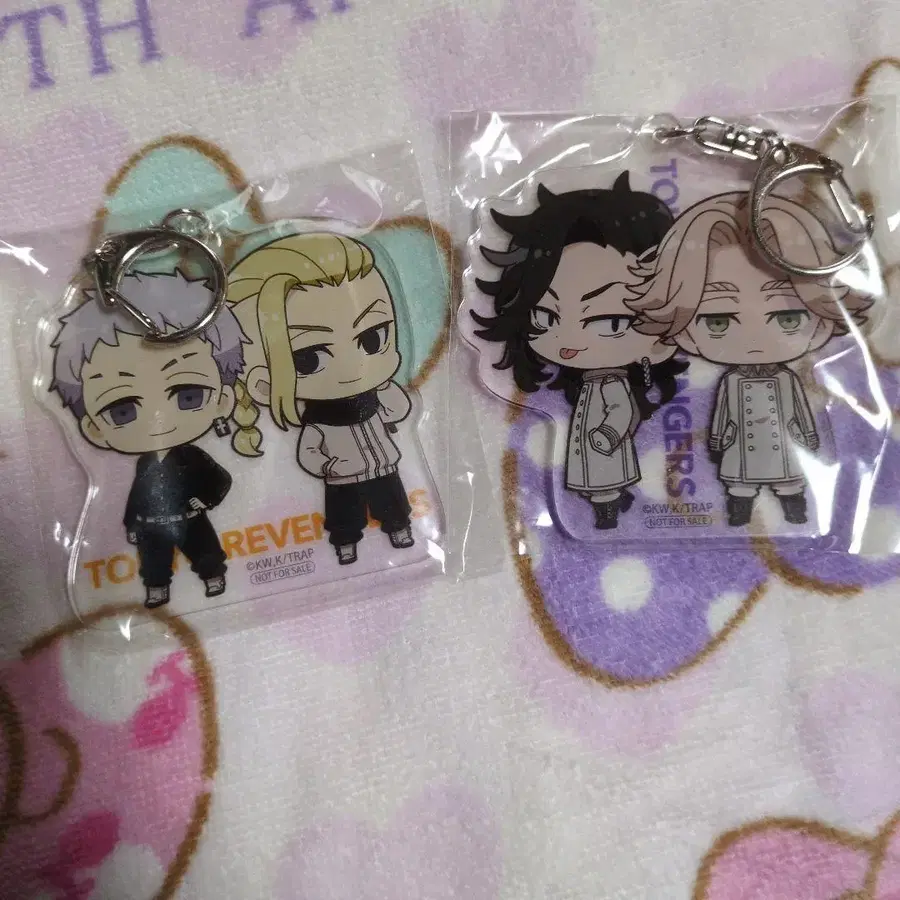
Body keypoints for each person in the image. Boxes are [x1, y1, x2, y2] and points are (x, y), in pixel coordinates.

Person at [627, 191, 873, 526]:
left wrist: (808, 436)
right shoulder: (731, 381)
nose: (754, 340)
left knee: (788, 479)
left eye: (788, 318)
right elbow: (724, 412)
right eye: (718, 321)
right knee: (739, 481)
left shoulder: (785, 379)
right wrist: (718, 439)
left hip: (782, 444)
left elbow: (799, 410)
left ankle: (794, 506)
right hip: (741, 445)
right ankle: (740, 509)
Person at [473, 173, 685, 529]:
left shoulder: (613, 383)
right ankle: (611, 499)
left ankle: (607, 513)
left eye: (611, 322)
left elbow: (624, 410)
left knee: (602, 478)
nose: (569, 339)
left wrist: (607, 435)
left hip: (603, 445)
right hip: (591, 445)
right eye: (545, 316)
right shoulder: (590, 383)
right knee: (594, 477)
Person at [51, 270, 247, 607]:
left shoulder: (192, 457)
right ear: (94, 427)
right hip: (152, 523)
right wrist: (131, 523)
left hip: (190, 519)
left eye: (189, 395)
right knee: (154, 560)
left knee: (204, 550)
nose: (158, 417)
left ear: (222, 400)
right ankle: (157, 588)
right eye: (122, 410)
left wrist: (205, 500)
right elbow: (138, 496)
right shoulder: (145, 462)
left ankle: (213, 576)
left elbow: (220, 479)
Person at [227, 233, 415, 565]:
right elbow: (309, 452)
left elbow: (398, 410)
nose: (352, 366)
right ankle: (345, 544)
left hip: (384, 465)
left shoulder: (373, 400)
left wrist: (386, 388)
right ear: (262, 385)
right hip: (341, 478)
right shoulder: (318, 420)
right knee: (344, 514)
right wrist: (329, 467)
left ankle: (399, 528)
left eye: (372, 338)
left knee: (393, 503)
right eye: (309, 359)